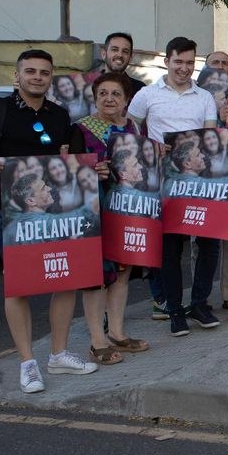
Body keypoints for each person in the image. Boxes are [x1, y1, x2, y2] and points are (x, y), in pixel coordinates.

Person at [0, 49, 98, 393]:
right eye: (31, 71)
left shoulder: (59, 115)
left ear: (51, 77)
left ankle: (58, 354)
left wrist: (87, 168)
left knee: (65, 280)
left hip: (55, 214)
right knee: (18, 286)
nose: (38, 77)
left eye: (44, 72)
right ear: (18, 75)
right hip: (12, 214)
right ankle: (27, 363)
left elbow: (66, 163)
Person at [127, 36, 223, 336]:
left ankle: (200, 304)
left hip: (198, 181)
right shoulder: (146, 94)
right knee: (170, 249)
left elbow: (209, 137)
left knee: (208, 243)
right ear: (166, 61)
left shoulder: (205, 96)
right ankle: (174, 310)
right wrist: (148, 147)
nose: (184, 68)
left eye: (189, 62)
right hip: (163, 183)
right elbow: (129, 129)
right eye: (178, 61)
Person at [68, 72, 150, 365]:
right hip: (96, 210)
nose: (109, 99)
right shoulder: (81, 129)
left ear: (127, 99)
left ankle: (116, 333)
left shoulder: (135, 128)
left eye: (116, 94)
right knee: (96, 276)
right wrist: (92, 171)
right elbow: (70, 174)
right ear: (95, 97)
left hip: (128, 209)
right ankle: (97, 341)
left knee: (123, 271)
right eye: (103, 93)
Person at [99, 31, 147, 99]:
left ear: (130, 58)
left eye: (125, 51)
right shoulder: (90, 84)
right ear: (104, 54)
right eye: (114, 49)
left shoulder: (139, 89)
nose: (120, 55)